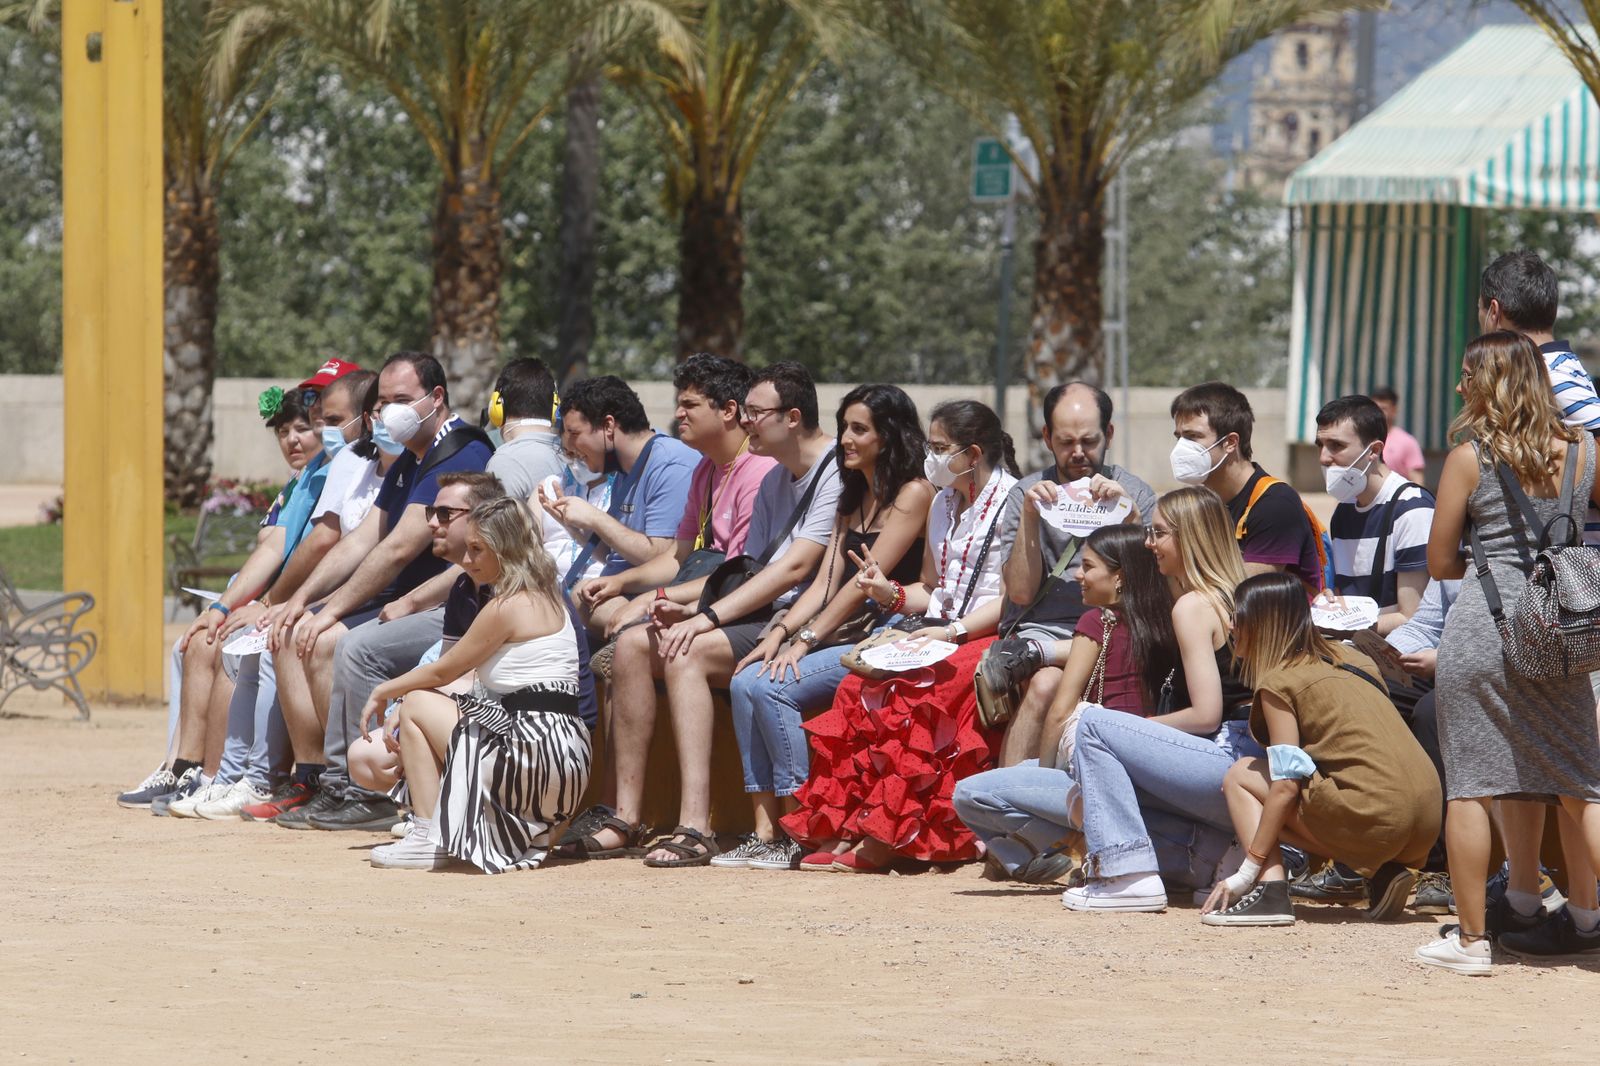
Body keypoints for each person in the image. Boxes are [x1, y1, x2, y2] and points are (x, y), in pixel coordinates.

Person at [562, 362, 841, 866]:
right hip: (751, 610)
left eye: (689, 404)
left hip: (794, 621)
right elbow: (740, 570)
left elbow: (791, 570)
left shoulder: (781, 470)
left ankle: (696, 824)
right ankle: (624, 815)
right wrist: (661, 600)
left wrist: (699, 617)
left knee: (682, 650)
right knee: (629, 643)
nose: (677, 415)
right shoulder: (742, 471)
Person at [1416, 330, 1600, 974]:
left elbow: (1440, 560)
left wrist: (1490, 547)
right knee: (1584, 787)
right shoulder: (1584, 451)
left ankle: (1470, 943)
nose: (1461, 387)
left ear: (1490, 381)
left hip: (1486, 629)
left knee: (1471, 786)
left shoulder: (1471, 458)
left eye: (1469, 376)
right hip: (1566, 627)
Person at [774, 400, 1018, 871]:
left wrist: (953, 630)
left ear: (972, 453)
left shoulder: (1012, 501)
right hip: (943, 630)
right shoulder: (944, 501)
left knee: (916, 691)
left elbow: (1012, 597)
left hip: (986, 633)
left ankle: (886, 838)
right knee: (855, 689)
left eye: (941, 447)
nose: (931, 455)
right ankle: (850, 827)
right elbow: (931, 587)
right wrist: (888, 593)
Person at [270, 351, 493, 832]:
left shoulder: (460, 454)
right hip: (412, 604)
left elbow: (395, 550)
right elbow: (363, 538)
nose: (389, 411)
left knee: (348, 646)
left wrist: (332, 612)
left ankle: (360, 789)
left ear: (436, 398)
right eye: (384, 401)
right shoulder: (411, 458)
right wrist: (304, 600)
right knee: (306, 631)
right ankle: (329, 778)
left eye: (402, 400)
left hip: (458, 606)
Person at [725, 385, 933, 867]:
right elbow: (824, 584)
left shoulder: (914, 493)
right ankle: (765, 833)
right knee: (745, 678)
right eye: (844, 428)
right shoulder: (851, 494)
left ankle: (806, 830)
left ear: (889, 436)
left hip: (886, 639)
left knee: (773, 688)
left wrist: (805, 641)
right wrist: (778, 635)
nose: (845, 439)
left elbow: (863, 584)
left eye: (859, 429)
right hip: (843, 634)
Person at [954, 525, 1231, 887]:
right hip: (1153, 764)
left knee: (972, 794)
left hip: (1100, 761)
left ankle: (1061, 851)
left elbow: (1060, 709)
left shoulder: (1097, 621)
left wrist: (1046, 767)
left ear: (1119, 578)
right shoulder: (1169, 618)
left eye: (1087, 566)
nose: (1077, 575)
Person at [119, 381, 335, 813]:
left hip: (299, 600)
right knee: (192, 644)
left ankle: (229, 775)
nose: (293, 439)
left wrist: (263, 603)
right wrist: (222, 605)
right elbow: (271, 546)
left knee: (228, 645)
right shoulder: (300, 481)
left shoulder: (330, 474)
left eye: (304, 428)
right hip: (268, 594)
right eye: (283, 431)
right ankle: (183, 767)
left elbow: (310, 549)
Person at [354, 497, 592, 873]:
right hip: (566, 760)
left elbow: (442, 672)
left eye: (478, 549)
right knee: (436, 711)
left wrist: (383, 691)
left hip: (532, 751)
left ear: (507, 548)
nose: (467, 561)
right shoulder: (550, 597)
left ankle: (427, 836)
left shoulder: (506, 607)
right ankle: (444, 827)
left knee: (415, 703)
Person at [1198, 573, 1443, 927]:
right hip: (1426, 820)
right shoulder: (1355, 658)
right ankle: (1381, 871)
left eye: (1239, 616)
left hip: (1377, 816)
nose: (1231, 625)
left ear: (1263, 624)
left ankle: (1271, 892)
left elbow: (1285, 786)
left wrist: (1246, 872)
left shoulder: (1279, 681)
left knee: (1240, 776)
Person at [1062, 486, 1261, 912]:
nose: (1149, 543)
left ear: (1189, 538)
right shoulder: (1237, 593)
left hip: (1230, 760)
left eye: (1159, 533)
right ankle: (1220, 855)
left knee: (1093, 724)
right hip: (1258, 767)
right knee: (1083, 800)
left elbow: (1206, 715)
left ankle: (1126, 874)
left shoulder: (1192, 606)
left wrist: (1134, 729)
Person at [976, 382, 1157, 766]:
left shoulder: (1135, 494)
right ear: (1046, 437)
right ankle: (1010, 801)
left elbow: (1147, 593)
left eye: (1089, 441)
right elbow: (1021, 594)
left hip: (1111, 627)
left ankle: (1023, 796)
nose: (1078, 453)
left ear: (1108, 434)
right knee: (1045, 683)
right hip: (1044, 625)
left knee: (1048, 680)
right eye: (1065, 441)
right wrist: (1029, 517)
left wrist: (1132, 521)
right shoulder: (1026, 494)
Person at [540, 375, 698, 636]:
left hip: (650, 598)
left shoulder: (671, 464)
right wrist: (571, 526)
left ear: (608, 426)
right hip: (624, 592)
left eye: (575, 434)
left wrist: (595, 518)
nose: (569, 446)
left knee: (585, 596)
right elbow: (619, 555)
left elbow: (660, 558)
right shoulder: (624, 469)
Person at [1168, 381, 1325, 591]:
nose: (1181, 448)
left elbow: (1243, 591)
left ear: (1230, 442)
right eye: (1179, 437)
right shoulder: (1204, 503)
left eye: (1193, 437)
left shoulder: (1274, 503)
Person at [1315, 395, 1434, 632]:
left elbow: (1412, 617)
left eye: (1336, 446)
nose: (1324, 458)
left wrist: (1341, 626)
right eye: (1321, 446)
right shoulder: (1344, 510)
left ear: (1374, 450)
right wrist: (1331, 607)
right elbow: (1349, 597)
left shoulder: (1412, 510)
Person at [484, 357, 565, 501]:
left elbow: (496, 524)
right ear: (554, 406)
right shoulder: (574, 455)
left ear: (498, 407)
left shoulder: (505, 462)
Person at [1370, 386, 1426, 485]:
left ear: (1394, 410)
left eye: (1383, 408)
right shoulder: (1364, 439)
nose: (1378, 413)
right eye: (1375, 408)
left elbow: (1418, 482)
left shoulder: (1407, 441)